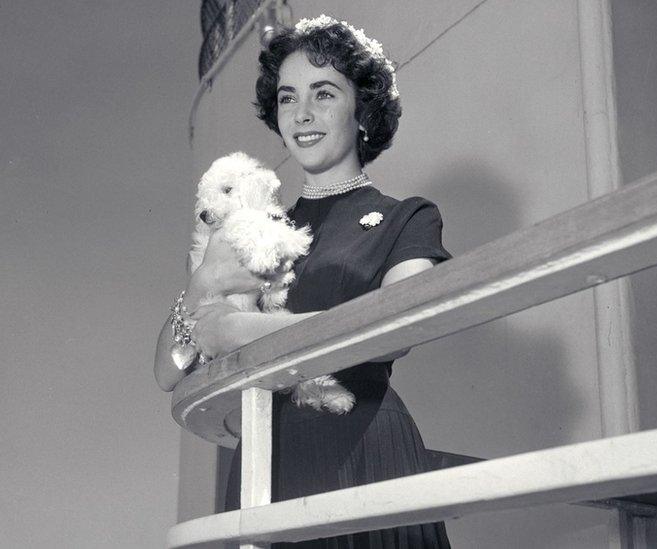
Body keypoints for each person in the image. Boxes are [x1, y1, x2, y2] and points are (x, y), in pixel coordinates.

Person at [154, 14, 452, 548]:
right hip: (265, 466)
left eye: (325, 93)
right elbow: (166, 371)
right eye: (288, 97)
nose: (303, 114)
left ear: (363, 110)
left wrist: (230, 329)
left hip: (364, 452)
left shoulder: (406, 217)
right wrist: (202, 288)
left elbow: (397, 325)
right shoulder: (257, 230)